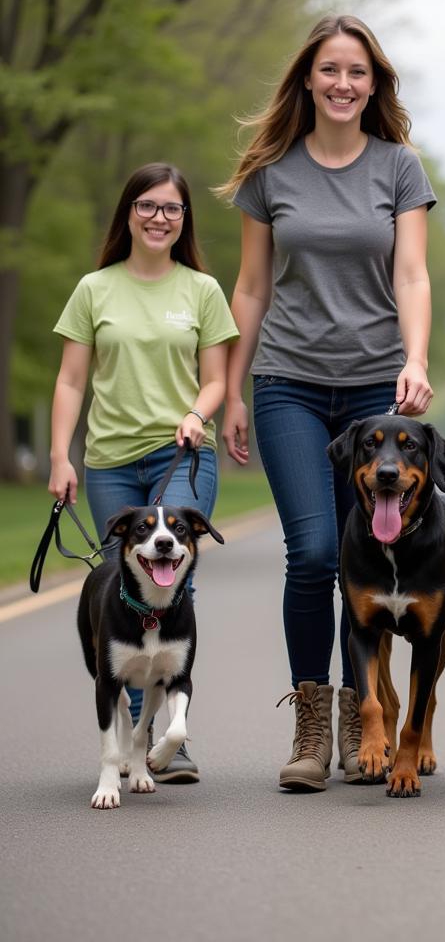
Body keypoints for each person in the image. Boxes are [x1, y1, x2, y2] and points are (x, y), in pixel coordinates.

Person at [216, 15, 436, 793]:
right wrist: (234, 390)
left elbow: (411, 274)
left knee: (365, 554)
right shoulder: (271, 172)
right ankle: (313, 720)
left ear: (374, 85)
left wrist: (415, 358)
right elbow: (251, 287)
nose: (344, 84)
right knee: (312, 553)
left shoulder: (399, 168)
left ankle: (362, 713)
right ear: (307, 79)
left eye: (358, 73)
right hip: (289, 382)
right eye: (330, 70)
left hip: (379, 387)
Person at [49, 162, 239, 783]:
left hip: (180, 451)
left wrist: (194, 413)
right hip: (108, 460)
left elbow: (215, 380)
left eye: (173, 209)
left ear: (185, 220)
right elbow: (72, 379)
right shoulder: (94, 288)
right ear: (129, 212)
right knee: (123, 589)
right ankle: (138, 738)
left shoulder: (201, 291)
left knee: (169, 565)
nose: (160, 217)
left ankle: (169, 733)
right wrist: (59, 456)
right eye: (148, 206)